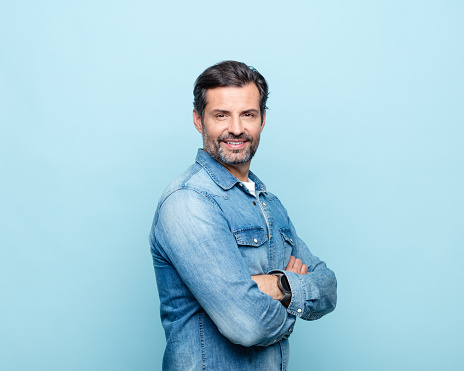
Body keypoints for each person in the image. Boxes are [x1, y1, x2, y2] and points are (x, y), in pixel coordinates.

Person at [149, 60, 337, 371]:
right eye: (221, 115)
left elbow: (328, 287)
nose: (236, 128)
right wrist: (292, 290)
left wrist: (278, 286)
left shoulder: (267, 202)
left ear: (263, 119)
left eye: (247, 114)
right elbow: (248, 325)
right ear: (199, 120)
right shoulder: (187, 202)